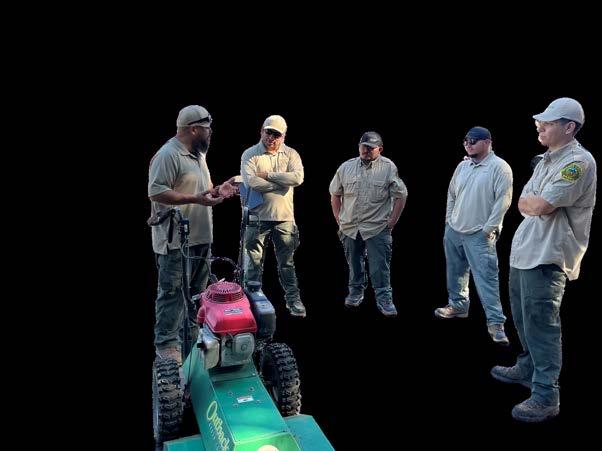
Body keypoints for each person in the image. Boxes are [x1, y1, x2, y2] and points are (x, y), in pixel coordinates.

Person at [491, 98, 596, 422]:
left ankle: (546, 395)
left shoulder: (578, 162)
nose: (540, 126)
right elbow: (523, 201)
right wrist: (533, 203)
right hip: (525, 252)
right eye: (541, 122)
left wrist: (535, 203)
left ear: (569, 127)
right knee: (523, 319)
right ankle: (527, 367)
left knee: (542, 326)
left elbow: (540, 205)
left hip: (548, 255)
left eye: (548, 123)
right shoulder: (546, 161)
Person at [148, 105, 237, 364]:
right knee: (173, 293)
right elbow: (156, 191)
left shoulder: (198, 155)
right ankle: (166, 345)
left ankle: (192, 341)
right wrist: (195, 199)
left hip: (201, 238)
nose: (211, 133)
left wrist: (219, 190)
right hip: (176, 241)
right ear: (194, 129)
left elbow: (202, 191)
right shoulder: (169, 154)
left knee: (198, 294)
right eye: (207, 129)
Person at [434, 126, 513, 344]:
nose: (468, 144)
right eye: (466, 141)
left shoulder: (500, 167)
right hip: (454, 230)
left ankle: (496, 323)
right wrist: (449, 221)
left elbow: (503, 201)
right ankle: (458, 306)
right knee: (455, 272)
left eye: (474, 141)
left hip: (480, 234)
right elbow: (451, 194)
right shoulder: (462, 166)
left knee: (487, 279)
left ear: (487, 142)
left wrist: (489, 229)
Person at [329, 131, 407, 317]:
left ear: (380, 149)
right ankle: (355, 292)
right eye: (363, 146)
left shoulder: (388, 167)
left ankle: (384, 298)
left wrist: (392, 221)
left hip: (377, 228)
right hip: (350, 227)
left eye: (371, 148)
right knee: (354, 263)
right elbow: (335, 194)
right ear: (359, 147)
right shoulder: (346, 167)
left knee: (380, 266)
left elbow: (401, 195)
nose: (366, 150)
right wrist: (339, 219)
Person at [240, 115, 306, 317]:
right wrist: (282, 184)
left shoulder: (291, 154)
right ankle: (250, 302)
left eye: (276, 134)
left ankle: (293, 300)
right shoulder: (250, 154)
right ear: (261, 131)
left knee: (287, 263)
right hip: (257, 217)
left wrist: (268, 175)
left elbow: (298, 178)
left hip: (284, 218)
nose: (271, 137)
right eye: (268, 132)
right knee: (253, 263)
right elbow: (251, 182)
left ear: (283, 136)